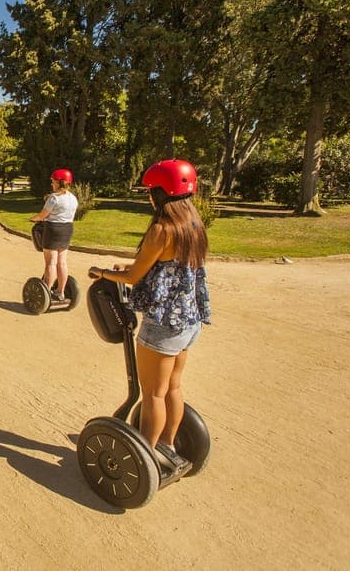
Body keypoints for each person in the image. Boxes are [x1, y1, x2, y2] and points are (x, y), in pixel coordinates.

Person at [88, 159, 211, 475]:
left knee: (152, 393)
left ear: (159, 193)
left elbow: (134, 277)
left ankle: (145, 455)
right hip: (189, 319)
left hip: (163, 323)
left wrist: (102, 272)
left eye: (150, 191)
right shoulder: (194, 226)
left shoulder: (162, 228)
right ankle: (167, 444)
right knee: (172, 387)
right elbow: (161, 268)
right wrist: (125, 269)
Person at [30, 168, 78, 302]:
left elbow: (43, 215)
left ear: (59, 182)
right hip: (67, 229)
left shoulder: (54, 198)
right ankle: (60, 292)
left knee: (50, 264)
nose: (52, 184)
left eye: (53, 181)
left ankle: (47, 292)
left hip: (53, 230)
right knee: (62, 262)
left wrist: (34, 218)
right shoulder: (73, 198)